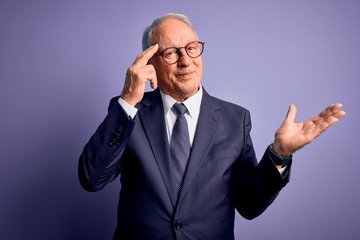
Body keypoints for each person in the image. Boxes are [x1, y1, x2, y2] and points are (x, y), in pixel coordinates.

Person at [78, 13, 345, 240]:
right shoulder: (127, 112)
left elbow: (249, 205)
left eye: (192, 47)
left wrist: (280, 154)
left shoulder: (235, 119)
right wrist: (127, 101)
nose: (185, 60)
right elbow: (92, 179)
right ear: (151, 64)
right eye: (171, 53)